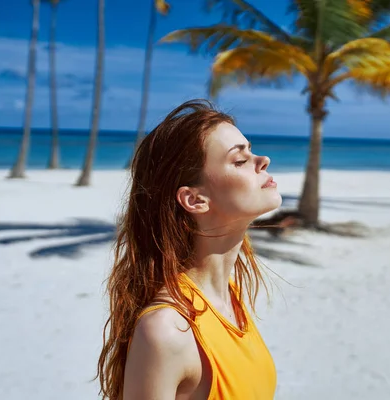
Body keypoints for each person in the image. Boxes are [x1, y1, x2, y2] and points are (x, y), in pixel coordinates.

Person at [96, 99, 282, 400]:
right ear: (195, 200)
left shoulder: (231, 299)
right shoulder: (167, 330)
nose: (263, 160)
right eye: (239, 160)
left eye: (250, 150)